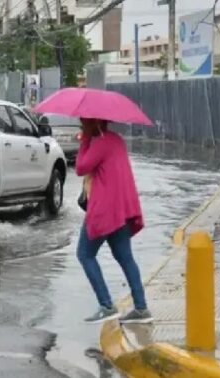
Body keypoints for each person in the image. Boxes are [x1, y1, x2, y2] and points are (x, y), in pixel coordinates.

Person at [75, 118, 151, 324]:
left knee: (85, 254)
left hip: (104, 210)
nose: (81, 124)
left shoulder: (99, 143)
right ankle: (141, 308)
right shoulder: (117, 140)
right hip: (121, 210)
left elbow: (81, 167)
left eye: (83, 122)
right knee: (126, 258)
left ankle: (107, 305)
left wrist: (84, 140)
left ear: (92, 123)